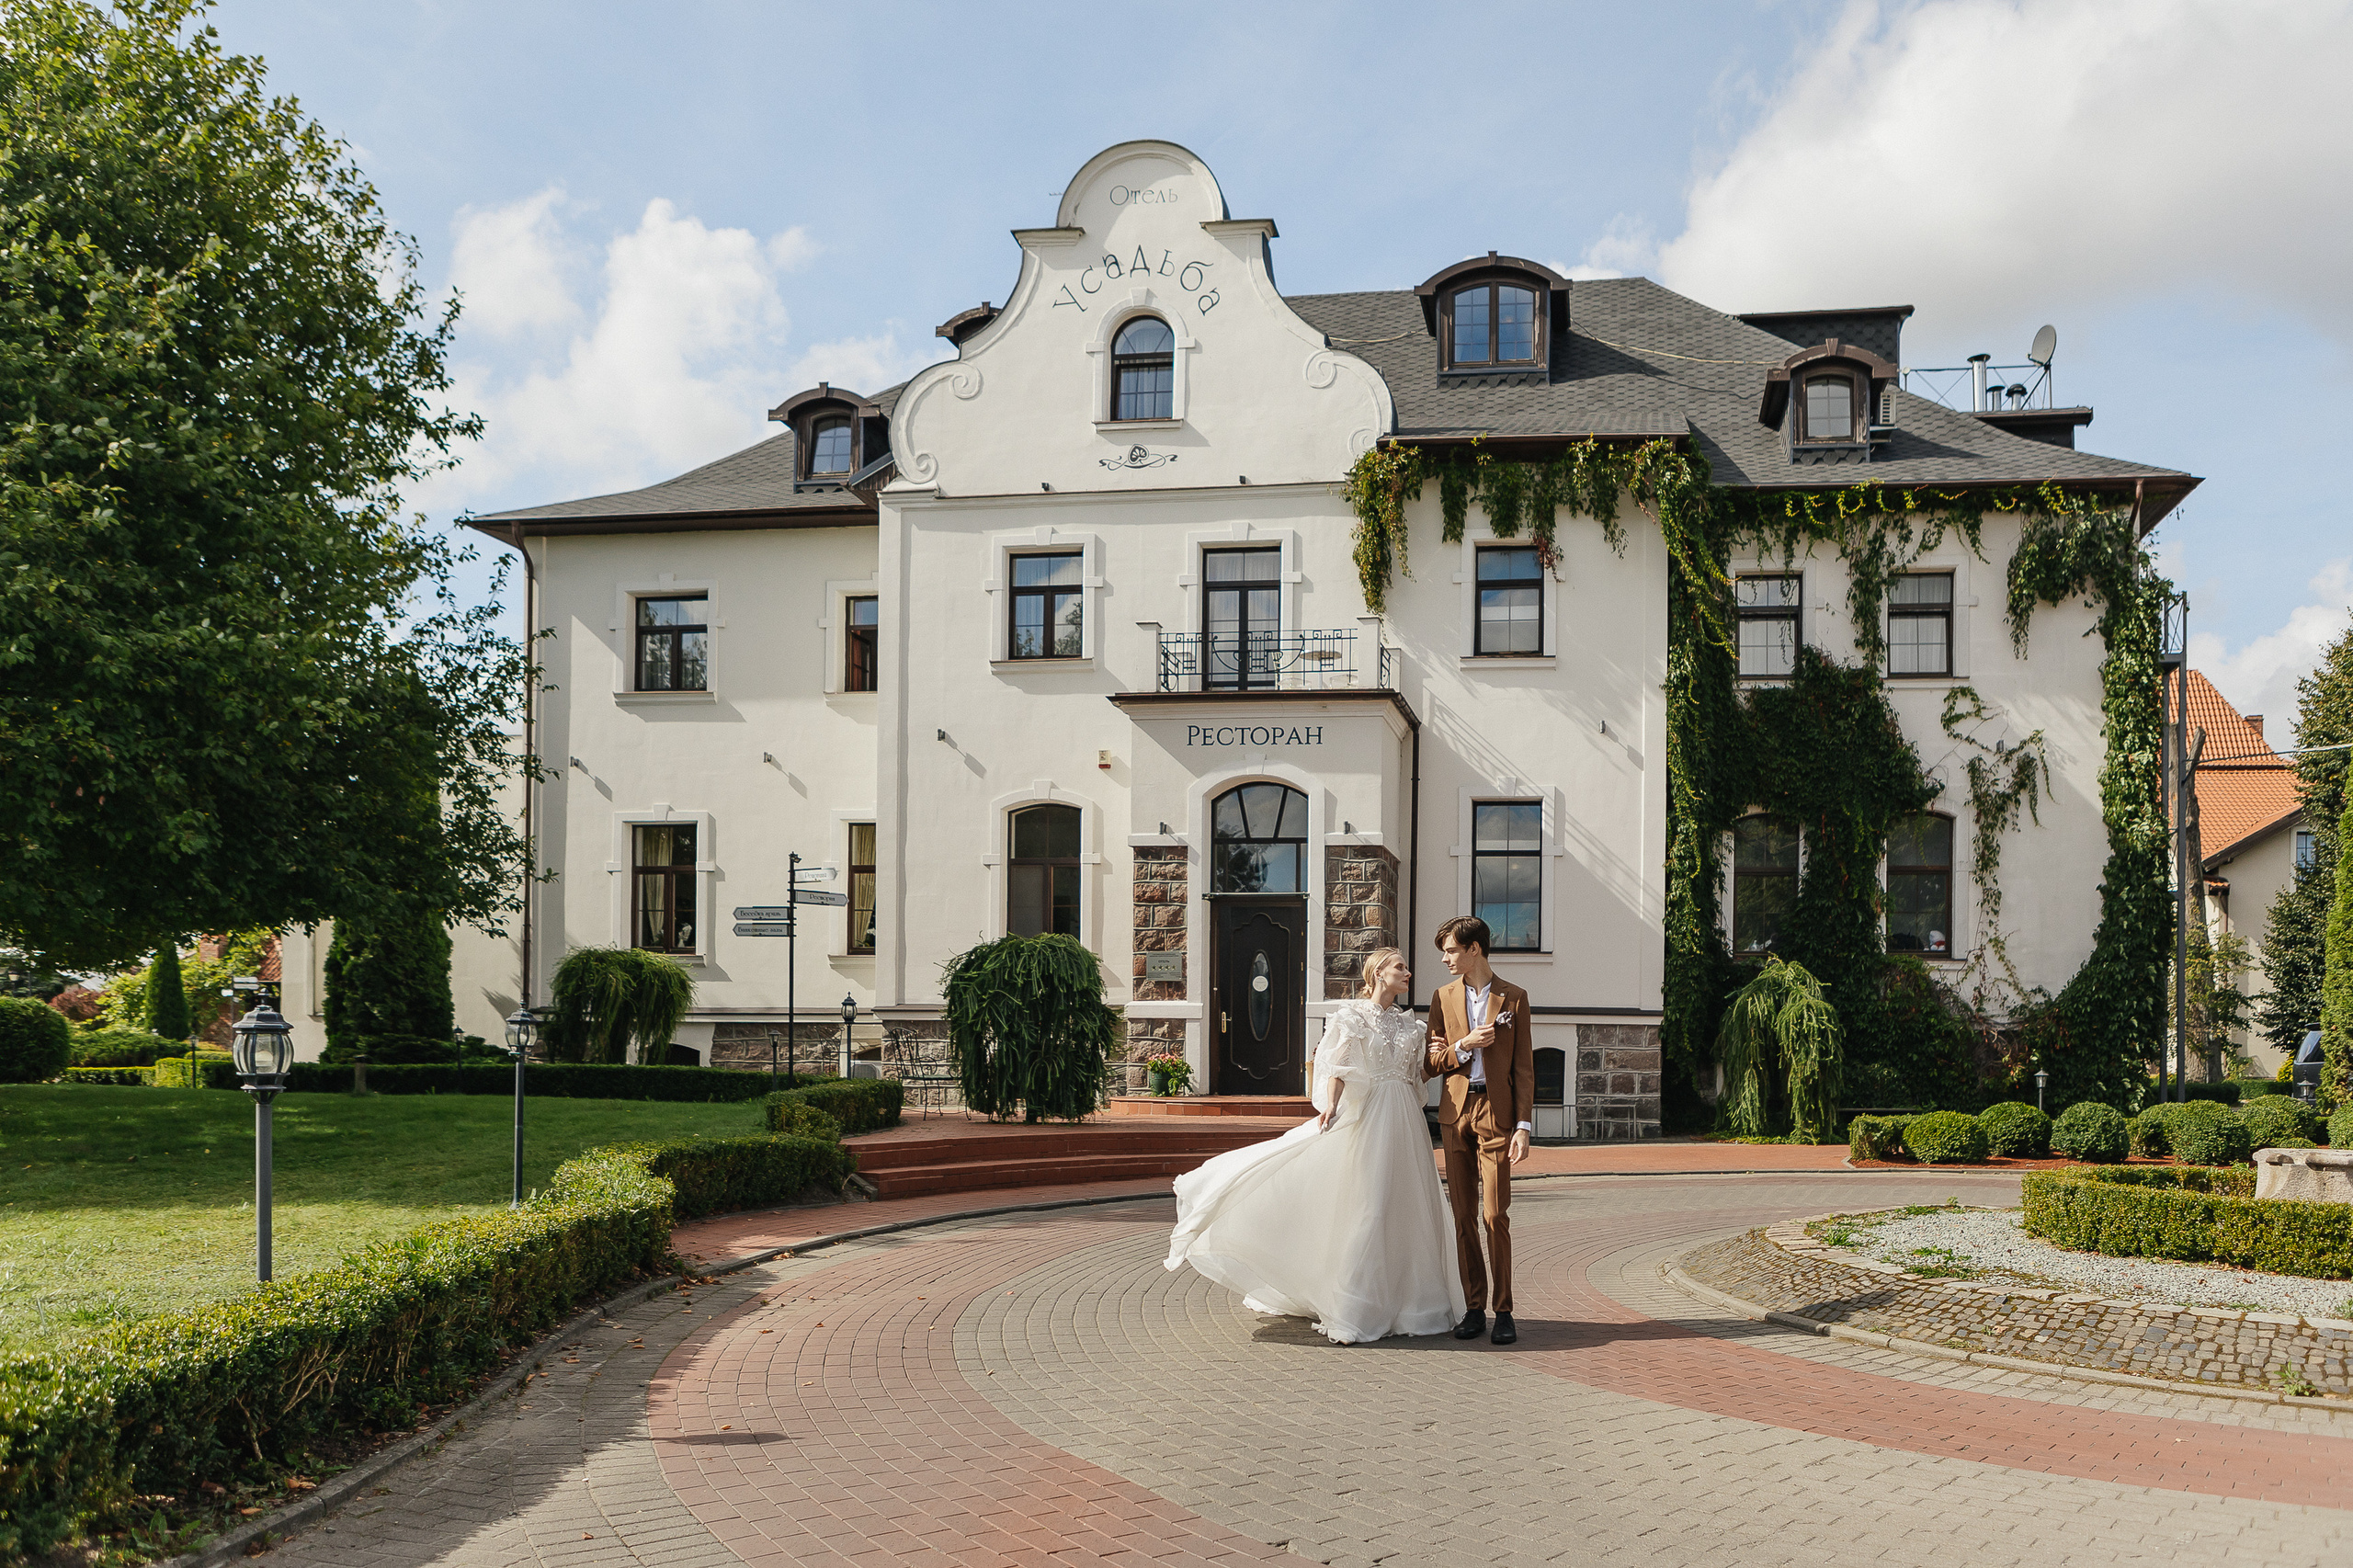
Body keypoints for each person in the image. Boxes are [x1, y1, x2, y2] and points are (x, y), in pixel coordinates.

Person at [1164, 947, 1464, 1344]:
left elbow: (1418, 1074)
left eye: (1406, 967)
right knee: (1370, 1204)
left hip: (1406, 1120)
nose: (1408, 972)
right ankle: (1358, 1306)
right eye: (1399, 967)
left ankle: (1414, 1304)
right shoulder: (1352, 1017)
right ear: (1377, 974)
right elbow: (1337, 1065)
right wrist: (1333, 1105)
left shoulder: (1412, 1025)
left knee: (1409, 1205)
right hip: (1372, 1117)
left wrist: (1460, 1049)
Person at [1425, 915, 1533, 1345]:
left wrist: (1523, 1126)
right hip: (1455, 1112)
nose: (1446, 959)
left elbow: (1524, 1068)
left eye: (1451, 950)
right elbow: (1430, 1065)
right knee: (1463, 1217)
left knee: (1494, 1215)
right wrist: (1463, 1046)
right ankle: (1474, 1308)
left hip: (1496, 1112)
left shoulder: (1515, 998)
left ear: (1475, 950)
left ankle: (1503, 1311)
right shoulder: (1442, 997)